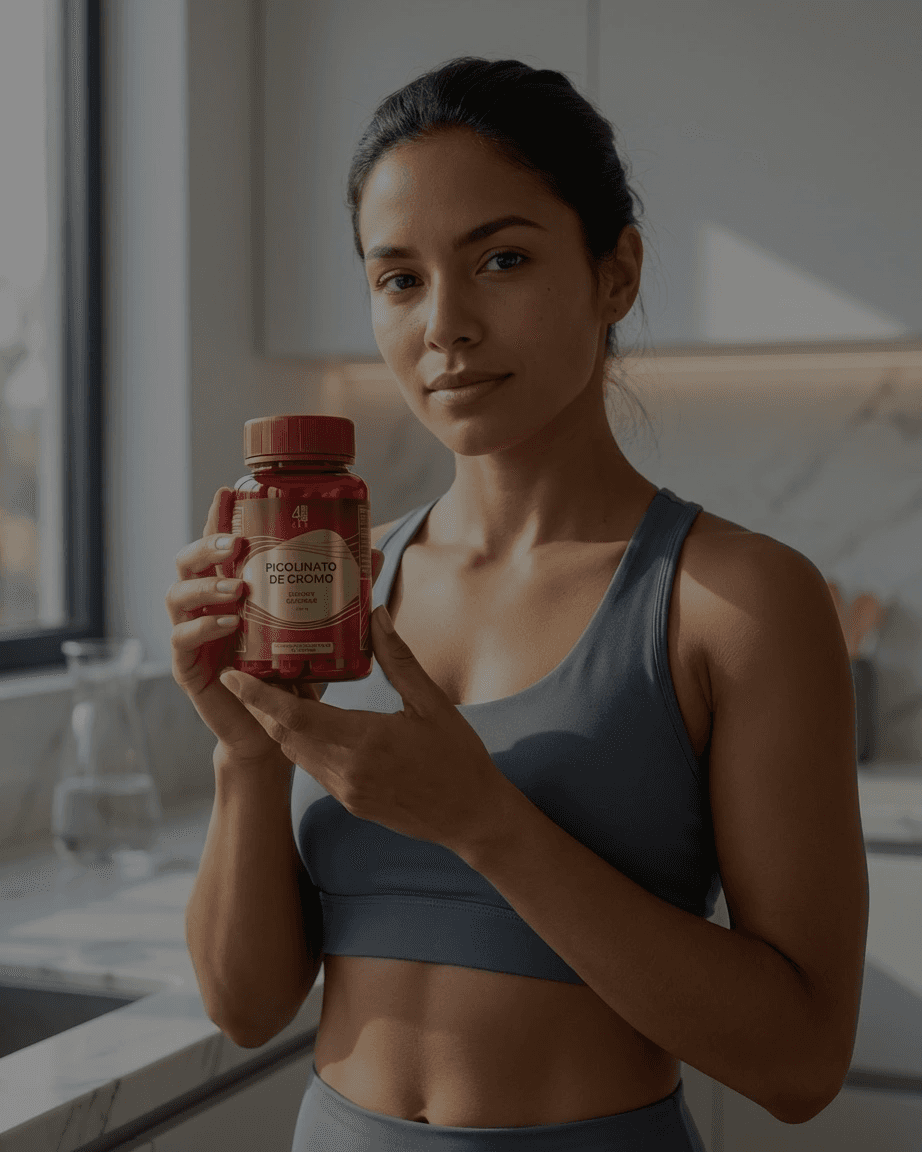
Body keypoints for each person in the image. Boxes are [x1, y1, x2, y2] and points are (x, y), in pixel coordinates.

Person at [169, 57, 868, 1152]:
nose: (444, 325)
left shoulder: (734, 603)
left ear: (615, 274)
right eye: (398, 279)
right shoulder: (335, 590)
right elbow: (245, 1007)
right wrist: (245, 753)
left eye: (501, 259)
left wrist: (484, 822)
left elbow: (801, 1063)